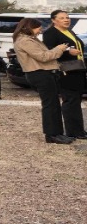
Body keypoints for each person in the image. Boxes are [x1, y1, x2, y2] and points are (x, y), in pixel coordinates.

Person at [14, 17, 76, 144]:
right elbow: (43, 57)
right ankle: (52, 135)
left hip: (45, 74)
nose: (40, 30)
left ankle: (58, 133)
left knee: (54, 104)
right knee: (50, 105)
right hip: (39, 74)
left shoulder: (30, 39)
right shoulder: (25, 41)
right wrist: (59, 49)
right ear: (28, 27)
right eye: (38, 28)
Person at [42, 10, 85, 138]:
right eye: (62, 18)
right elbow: (50, 51)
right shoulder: (50, 33)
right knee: (70, 100)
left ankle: (79, 130)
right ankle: (72, 131)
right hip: (65, 71)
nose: (66, 20)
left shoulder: (69, 31)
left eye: (67, 17)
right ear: (54, 20)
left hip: (77, 69)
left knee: (76, 100)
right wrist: (67, 52)